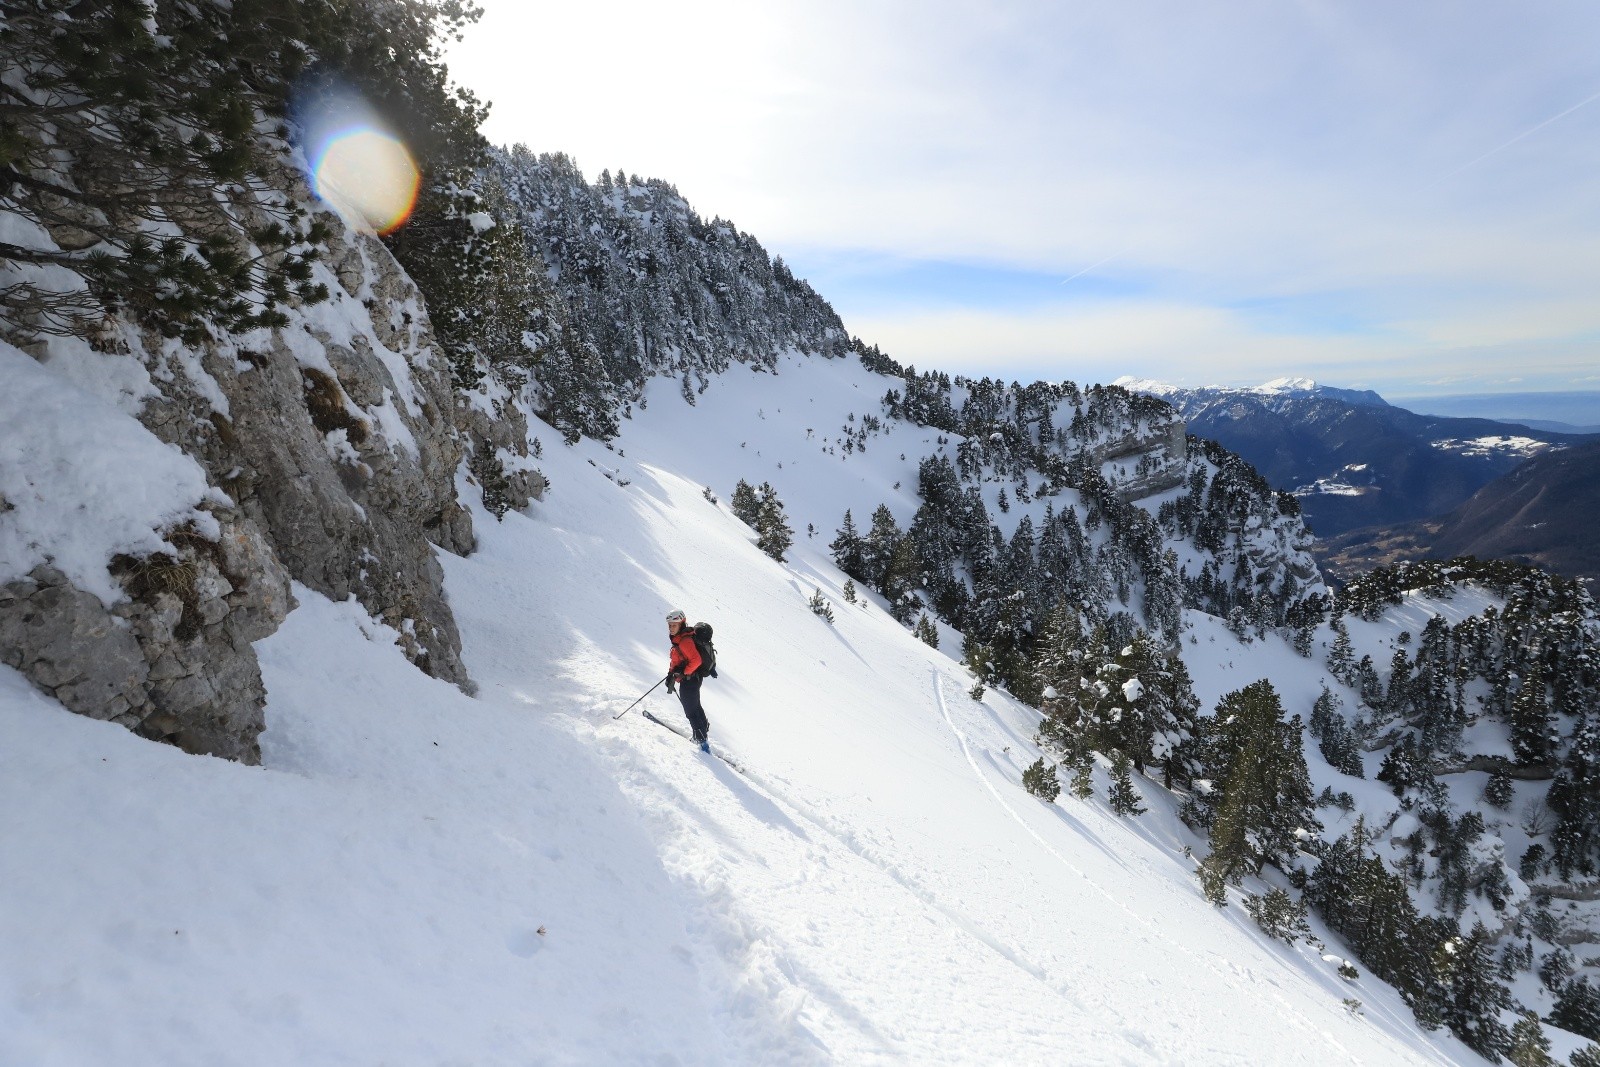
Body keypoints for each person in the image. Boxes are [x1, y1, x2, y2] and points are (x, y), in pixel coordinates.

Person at [665, 609, 711, 751]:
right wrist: (671, 673)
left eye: (674, 625)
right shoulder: (680, 638)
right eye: (670, 625)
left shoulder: (685, 641)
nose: (671, 628)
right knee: (695, 706)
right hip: (691, 678)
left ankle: (702, 742)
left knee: (691, 710)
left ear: (682, 624)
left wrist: (683, 673)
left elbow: (696, 661)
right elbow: (677, 658)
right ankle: (703, 732)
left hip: (690, 679)